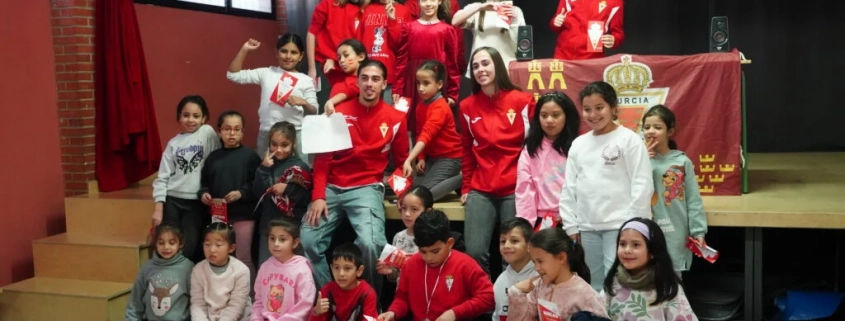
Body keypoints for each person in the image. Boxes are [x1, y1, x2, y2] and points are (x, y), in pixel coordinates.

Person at [301, 60, 410, 296]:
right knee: (307, 241)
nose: (369, 84)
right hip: (331, 188)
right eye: (365, 78)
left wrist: (401, 193)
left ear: (384, 84)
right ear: (358, 81)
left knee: (372, 244)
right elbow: (322, 161)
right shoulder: (338, 113)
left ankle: (368, 303)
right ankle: (332, 297)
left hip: (367, 188)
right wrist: (318, 196)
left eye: (375, 79)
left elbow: (403, 165)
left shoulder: (396, 119)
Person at [559, 81, 653, 290]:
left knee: (621, 284)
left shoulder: (629, 140)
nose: (593, 115)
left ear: (613, 107)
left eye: (599, 108)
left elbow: (642, 182)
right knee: (594, 284)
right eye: (587, 109)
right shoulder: (579, 144)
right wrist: (571, 225)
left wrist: (635, 225)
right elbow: (569, 187)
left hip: (620, 226)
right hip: (587, 227)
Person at [460, 46, 535, 273]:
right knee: (474, 252)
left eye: (485, 63)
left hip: (514, 187)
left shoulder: (523, 101)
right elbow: (465, 150)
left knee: (513, 254)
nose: (480, 70)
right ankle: (483, 304)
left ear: (497, 66)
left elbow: (536, 147)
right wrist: (465, 187)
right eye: (475, 66)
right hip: (481, 189)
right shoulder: (466, 106)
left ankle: (510, 304)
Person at [378, 210, 495, 321]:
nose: (428, 258)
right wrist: (393, 312)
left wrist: (455, 313)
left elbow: (488, 297)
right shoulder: (410, 264)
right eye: (423, 251)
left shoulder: (465, 264)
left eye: (435, 251)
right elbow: (402, 298)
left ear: (450, 243)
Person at [226, 35, 318, 163]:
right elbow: (233, 75)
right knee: (265, 173)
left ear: (301, 56)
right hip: (267, 132)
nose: (288, 56)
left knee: (300, 174)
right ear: (276, 52)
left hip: (296, 134)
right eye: (284, 51)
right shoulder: (266, 73)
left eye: (294, 52)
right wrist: (245, 49)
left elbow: (314, 111)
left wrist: (304, 103)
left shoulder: (306, 80)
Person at [152, 95, 222, 263]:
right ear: (179, 116)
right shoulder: (173, 144)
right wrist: (158, 207)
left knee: (189, 247)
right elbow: (162, 177)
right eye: (185, 115)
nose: (190, 120)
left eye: (196, 116)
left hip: (196, 202)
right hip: (173, 200)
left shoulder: (207, 133)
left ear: (204, 118)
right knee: (169, 243)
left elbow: (216, 161)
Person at [642, 105, 708, 277]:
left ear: (670, 131)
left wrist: (698, 231)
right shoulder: (637, 159)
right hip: (644, 229)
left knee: (673, 282)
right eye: (647, 127)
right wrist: (641, 160)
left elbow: (693, 199)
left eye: (658, 127)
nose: (651, 132)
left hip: (674, 230)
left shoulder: (682, 161)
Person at [199, 110, 261, 281]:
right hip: (219, 216)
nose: (232, 133)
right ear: (219, 131)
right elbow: (204, 184)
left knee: (243, 257)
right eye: (227, 129)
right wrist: (204, 194)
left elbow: (258, 185)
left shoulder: (251, 156)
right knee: (220, 256)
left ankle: (250, 298)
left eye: (237, 129)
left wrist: (241, 193)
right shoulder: (213, 158)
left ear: (242, 131)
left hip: (244, 215)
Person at [602, 218, 699, 320]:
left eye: (636, 245)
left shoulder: (666, 288)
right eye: (622, 244)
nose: (627, 250)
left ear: (652, 251)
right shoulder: (613, 282)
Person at [507, 228, 607, 321]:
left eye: (540, 261)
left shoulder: (586, 295)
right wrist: (516, 293)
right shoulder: (538, 286)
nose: (536, 268)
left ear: (561, 257)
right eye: (534, 262)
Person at [515, 92, 580, 228]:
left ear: (567, 116)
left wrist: (572, 213)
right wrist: (526, 225)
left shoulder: (578, 146)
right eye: (544, 116)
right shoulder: (531, 149)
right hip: (542, 219)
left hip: (575, 218)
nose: (549, 120)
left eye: (555, 115)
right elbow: (524, 189)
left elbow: (585, 185)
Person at [253, 121, 313, 266]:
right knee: (266, 266)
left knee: (292, 269)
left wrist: (286, 189)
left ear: (293, 144)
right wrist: (263, 169)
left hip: (291, 228)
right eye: (274, 144)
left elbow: (305, 198)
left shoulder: (300, 166)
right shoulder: (266, 164)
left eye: (284, 145)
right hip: (268, 227)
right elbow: (257, 193)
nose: (278, 149)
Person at [402, 61, 462, 202]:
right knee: (412, 190)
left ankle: (464, 178)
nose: (420, 88)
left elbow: (426, 134)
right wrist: (421, 158)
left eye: (426, 83)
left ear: (439, 84)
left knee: (423, 197)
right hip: (433, 159)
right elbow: (419, 133)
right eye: (418, 83)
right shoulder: (420, 107)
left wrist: (410, 159)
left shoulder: (440, 107)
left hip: (450, 158)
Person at [394, 0, 461, 122]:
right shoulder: (408, 27)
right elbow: (401, 60)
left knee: (434, 120)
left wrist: (452, 93)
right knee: (411, 121)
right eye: (424, 0)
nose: (428, 4)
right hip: (413, 81)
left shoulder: (447, 30)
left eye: (432, 0)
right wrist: (398, 88)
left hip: (436, 81)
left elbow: (452, 65)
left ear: (439, 2)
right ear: (418, 2)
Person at [125, 223, 194, 321]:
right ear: (155, 244)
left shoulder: (188, 268)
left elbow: (196, 302)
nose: (166, 247)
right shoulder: (147, 268)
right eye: (161, 243)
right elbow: (135, 302)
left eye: (171, 243)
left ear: (180, 244)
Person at [252, 218, 317, 321]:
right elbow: (259, 300)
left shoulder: (302, 269)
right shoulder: (265, 266)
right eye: (272, 238)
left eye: (282, 239)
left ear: (295, 243)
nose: (276, 244)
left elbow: (305, 304)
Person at [190, 223, 252, 321]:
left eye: (218, 245)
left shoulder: (241, 270)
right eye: (207, 244)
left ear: (231, 248)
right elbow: (198, 305)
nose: (212, 249)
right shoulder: (198, 270)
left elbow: (236, 306)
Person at [451, 0, 525, 77]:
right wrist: (481, 7)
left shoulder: (515, 10)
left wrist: (514, 21)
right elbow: (455, 21)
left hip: (506, 65)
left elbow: (521, 44)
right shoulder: (477, 7)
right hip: (481, 66)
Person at [358, 0, 412, 105]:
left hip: (392, 76)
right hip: (368, 74)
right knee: (368, 114)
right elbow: (359, 45)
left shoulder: (404, 11)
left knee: (387, 116)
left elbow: (402, 47)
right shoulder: (368, 10)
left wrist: (392, 20)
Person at [310, 243, 379, 321]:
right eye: (336, 268)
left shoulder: (367, 293)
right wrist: (316, 312)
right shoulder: (327, 290)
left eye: (347, 268)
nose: (341, 274)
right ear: (331, 268)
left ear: (359, 271)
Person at [307, 0, 361, 88]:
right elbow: (312, 33)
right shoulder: (328, 4)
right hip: (328, 67)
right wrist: (312, 69)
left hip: (355, 68)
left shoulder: (366, 8)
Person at [492, 218, 536, 321]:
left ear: (529, 245)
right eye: (503, 241)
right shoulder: (500, 281)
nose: (506, 245)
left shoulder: (541, 276)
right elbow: (498, 316)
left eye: (514, 241)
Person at [549, 0, 624, 60]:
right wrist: (555, 22)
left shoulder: (615, 2)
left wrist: (614, 40)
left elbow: (618, 32)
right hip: (563, 55)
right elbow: (556, 24)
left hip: (592, 59)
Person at [324, 39, 369, 114]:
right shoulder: (339, 76)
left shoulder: (364, 80)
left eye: (346, 55)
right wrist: (329, 60)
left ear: (361, 57)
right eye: (339, 58)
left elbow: (352, 89)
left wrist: (331, 101)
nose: (341, 60)